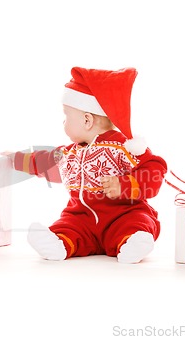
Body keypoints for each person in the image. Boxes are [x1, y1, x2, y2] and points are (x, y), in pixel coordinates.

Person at [11, 66, 167, 263]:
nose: (64, 122)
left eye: (66, 116)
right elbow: (43, 161)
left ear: (87, 120)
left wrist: (125, 184)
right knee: (68, 225)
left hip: (121, 215)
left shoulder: (125, 147)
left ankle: (134, 242)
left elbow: (154, 168)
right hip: (81, 217)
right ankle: (58, 243)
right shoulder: (70, 153)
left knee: (137, 222)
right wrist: (16, 159)